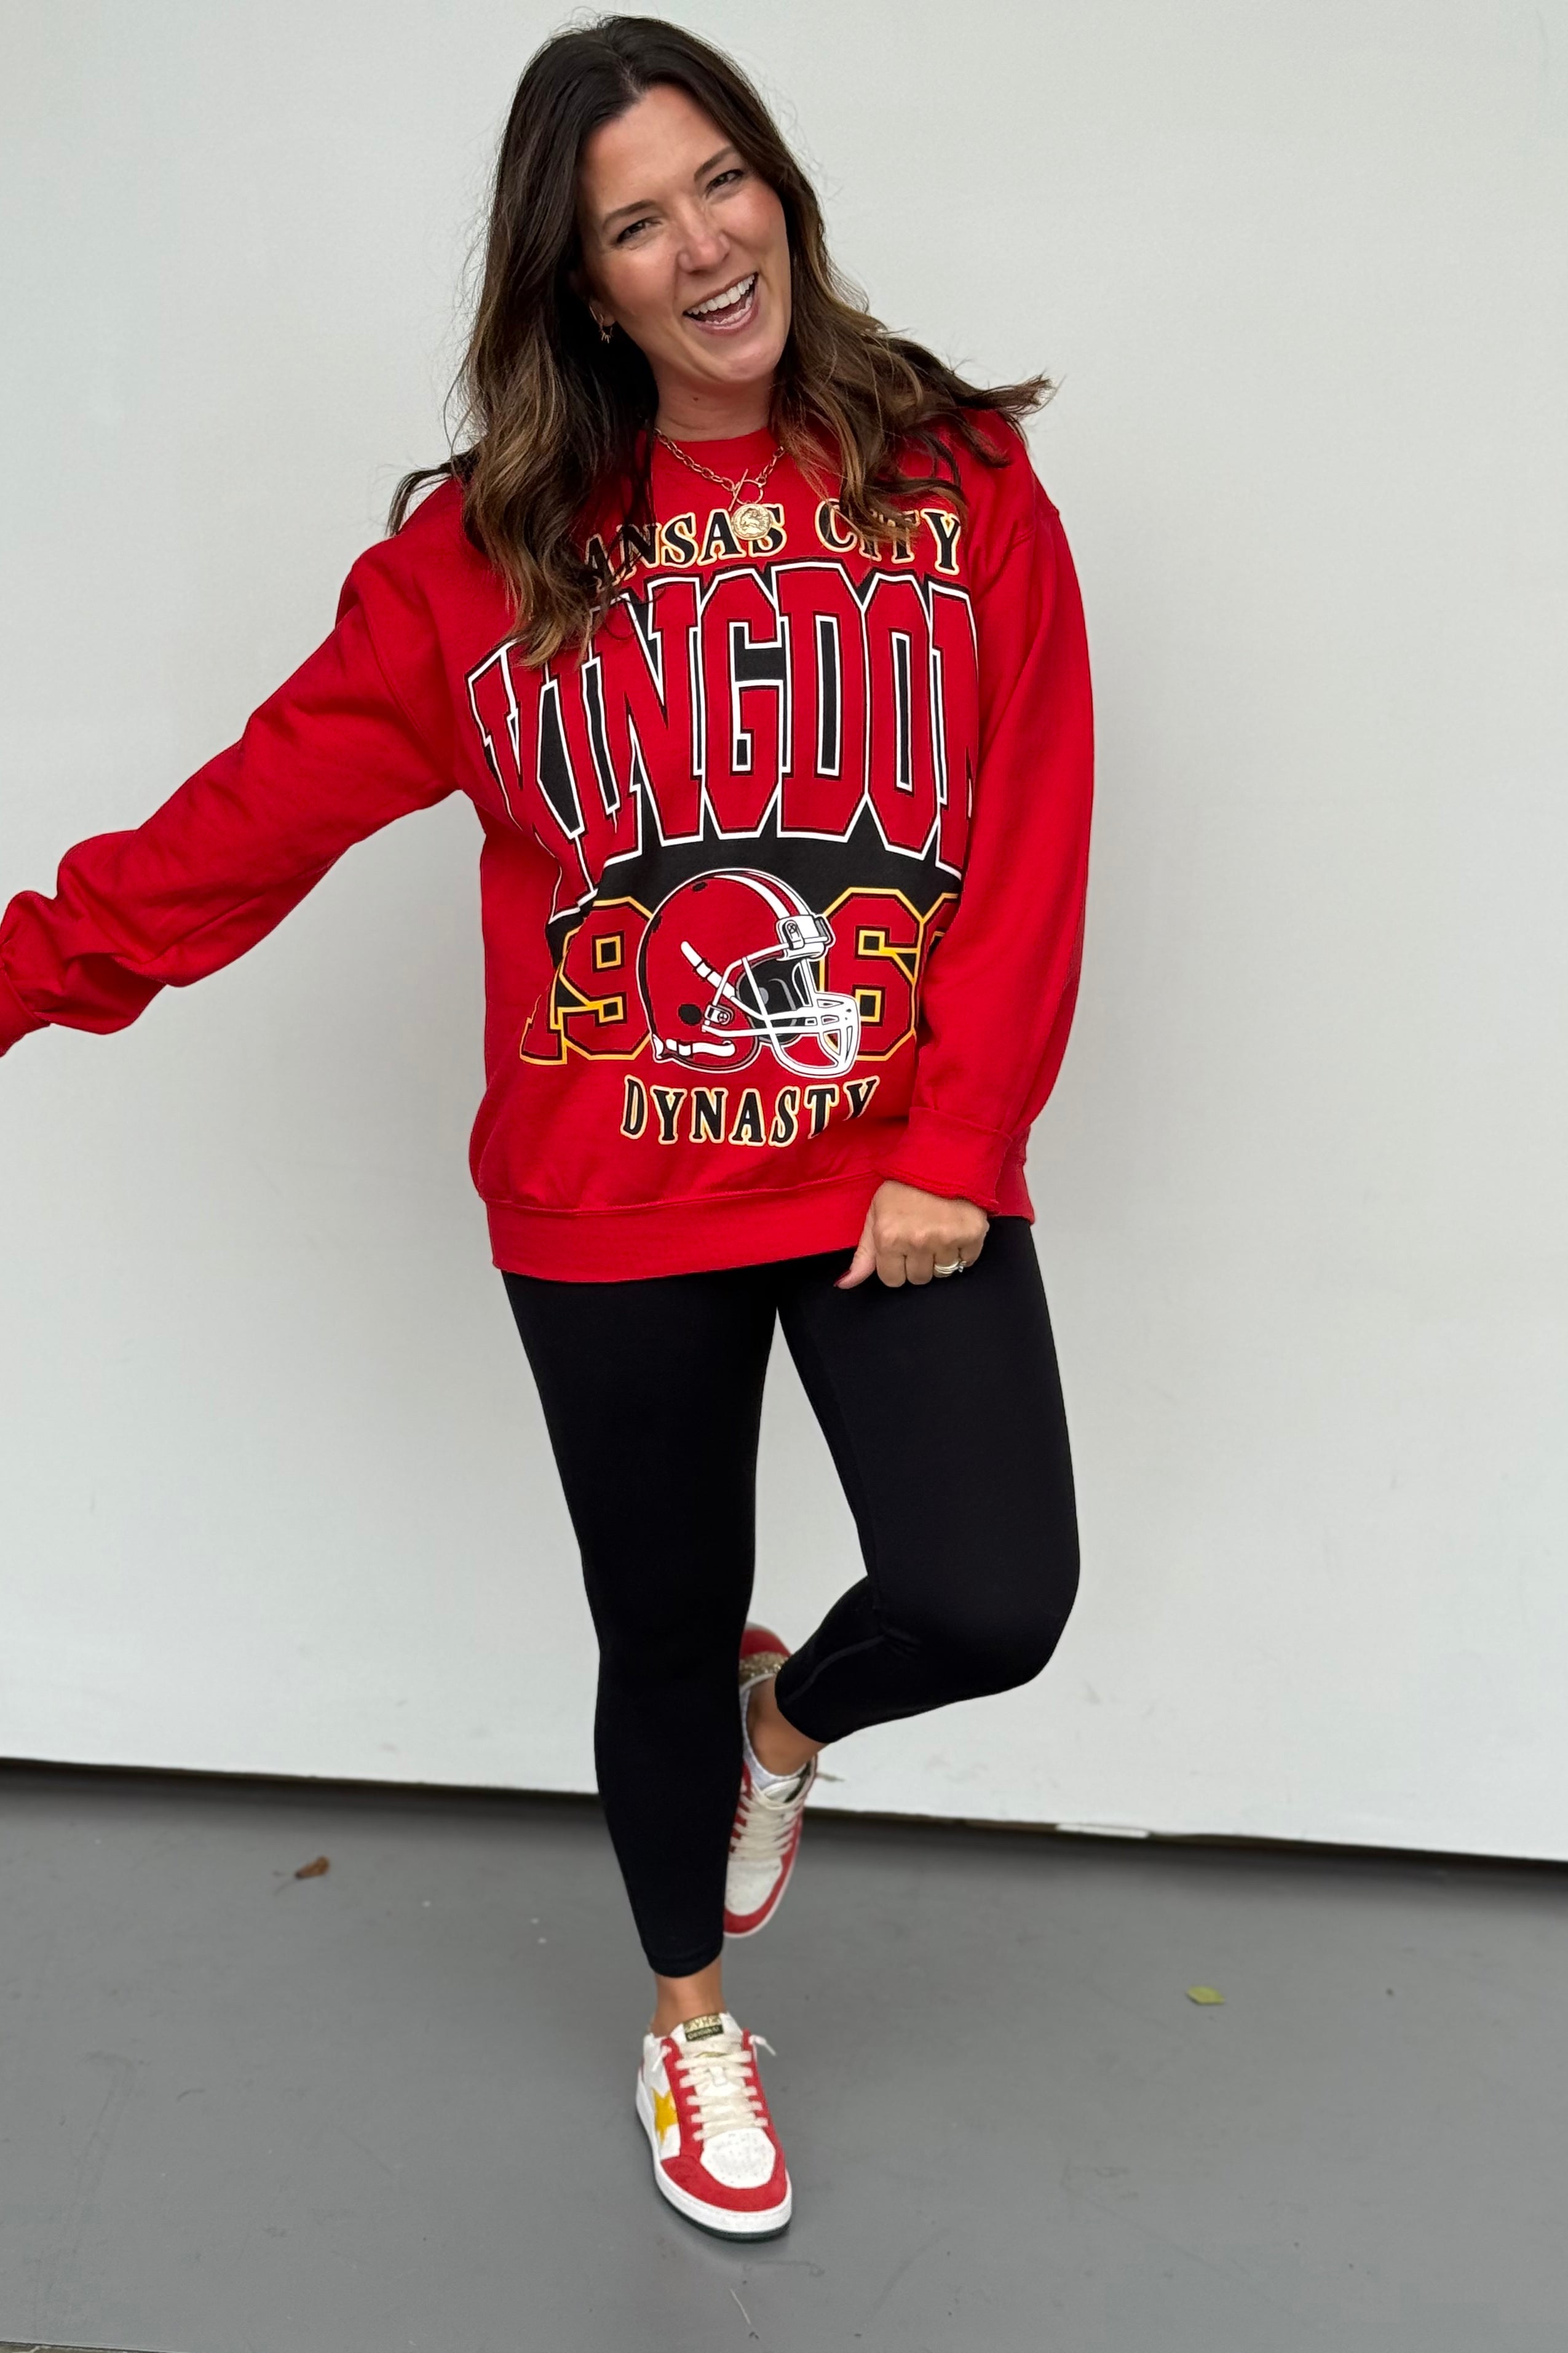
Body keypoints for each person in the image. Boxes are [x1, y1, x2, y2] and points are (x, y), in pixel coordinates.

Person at [0, 16, 1091, 2240]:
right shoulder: (479, 566)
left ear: (778, 185)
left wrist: (959, 1135)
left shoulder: (953, 476)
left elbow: (1032, 813)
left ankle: (788, 1736)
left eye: (722, 182)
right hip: (609, 1201)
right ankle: (691, 2017)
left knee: (993, 1592)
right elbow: (240, 831)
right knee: (658, 1628)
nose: (705, 246)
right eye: (636, 223)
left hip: (888, 1173)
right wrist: (26, 974)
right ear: (578, 284)